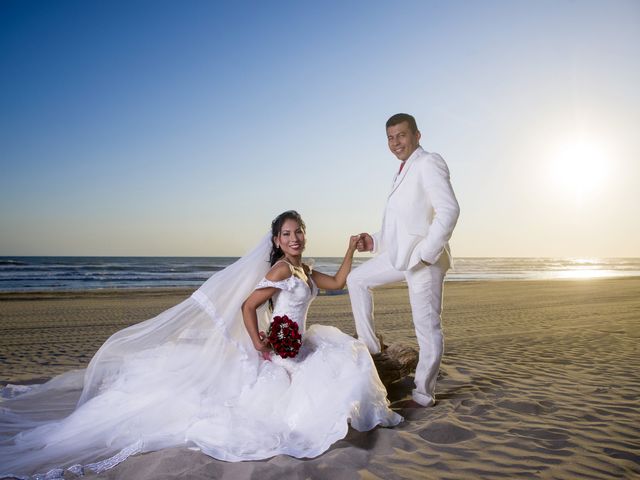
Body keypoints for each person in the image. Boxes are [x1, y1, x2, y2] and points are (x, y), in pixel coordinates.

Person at [0, 210, 401, 478]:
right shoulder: (281, 268)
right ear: (277, 241)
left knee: (344, 357)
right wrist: (261, 343)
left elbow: (337, 284)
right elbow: (248, 306)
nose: (295, 238)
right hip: (281, 348)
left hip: (298, 341)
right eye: (287, 234)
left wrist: (350, 249)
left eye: (299, 232)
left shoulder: (306, 269)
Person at [347, 113, 460, 407]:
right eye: (391, 137)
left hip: (424, 260)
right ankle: (371, 348)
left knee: (427, 327)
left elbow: (449, 211)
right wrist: (374, 240)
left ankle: (423, 392)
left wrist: (425, 253)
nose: (396, 142)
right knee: (356, 279)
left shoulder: (428, 162)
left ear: (416, 135)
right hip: (400, 255)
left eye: (402, 135)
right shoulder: (401, 170)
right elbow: (402, 224)